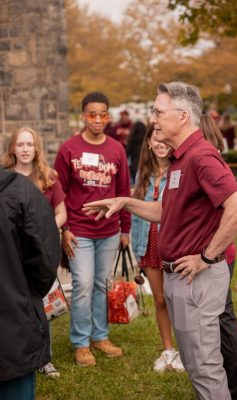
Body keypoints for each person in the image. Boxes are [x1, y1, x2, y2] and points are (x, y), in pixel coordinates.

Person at [83, 81, 237, 399]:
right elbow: (166, 211)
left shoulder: (202, 157)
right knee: (196, 365)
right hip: (179, 275)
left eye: (158, 112)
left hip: (196, 277)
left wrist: (208, 256)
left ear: (183, 116)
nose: (153, 119)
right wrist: (125, 202)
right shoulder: (180, 160)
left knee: (205, 367)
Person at [54, 91, 131, 367]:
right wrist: (64, 229)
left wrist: (125, 230)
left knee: (100, 284)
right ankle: (80, 342)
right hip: (78, 231)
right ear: (83, 116)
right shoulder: (68, 149)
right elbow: (57, 192)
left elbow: (123, 191)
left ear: (108, 116)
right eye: (91, 114)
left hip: (109, 231)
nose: (97, 119)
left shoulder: (117, 149)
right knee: (83, 284)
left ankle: (100, 336)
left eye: (102, 114)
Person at [2, 126, 67, 378]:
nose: (26, 149)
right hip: (12, 253)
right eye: (21, 145)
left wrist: (45, 231)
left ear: (36, 148)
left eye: (30, 144)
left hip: (40, 250)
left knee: (43, 305)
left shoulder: (48, 177)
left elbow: (61, 212)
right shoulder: (5, 179)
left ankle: (44, 357)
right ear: (13, 149)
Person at [200, 115, 237, 400]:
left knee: (223, 323)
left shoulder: (211, 165)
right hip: (217, 254)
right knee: (220, 323)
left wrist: (209, 255)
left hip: (218, 256)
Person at [0, 166, 61, 400]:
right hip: (13, 322)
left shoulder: (18, 190)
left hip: (12, 325)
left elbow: (44, 257)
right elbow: (45, 259)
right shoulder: (19, 190)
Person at [132, 125, 184, 372]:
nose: (161, 143)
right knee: (161, 300)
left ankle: (186, 352)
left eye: (165, 138)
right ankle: (168, 351)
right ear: (149, 143)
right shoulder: (143, 173)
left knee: (179, 300)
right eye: (156, 139)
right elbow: (135, 214)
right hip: (148, 245)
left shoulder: (181, 169)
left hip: (174, 245)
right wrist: (136, 251)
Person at [126, 119, 147, 184]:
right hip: (145, 165)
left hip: (134, 165)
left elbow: (126, 154)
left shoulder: (132, 141)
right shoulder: (147, 141)